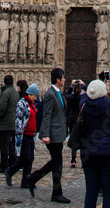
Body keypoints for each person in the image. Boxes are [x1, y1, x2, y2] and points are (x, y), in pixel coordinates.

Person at [79, 75, 110, 208]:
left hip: (89, 154)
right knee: (108, 193)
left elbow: (85, 96)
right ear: (104, 93)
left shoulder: (84, 107)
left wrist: (89, 87)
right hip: (109, 154)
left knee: (91, 192)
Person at [27, 66, 69, 203]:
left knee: (56, 162)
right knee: (57, 163)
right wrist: (45, 134)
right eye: (62, 77)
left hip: (58, 134)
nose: (64, 79)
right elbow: (46, 115)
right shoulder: (51, 94)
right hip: (52, 135)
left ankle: (32, 178)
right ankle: (56, 193)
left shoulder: (58, 93)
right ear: (58, 79)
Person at [7, 83, 42, 187]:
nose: (36, 98)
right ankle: (10, 171)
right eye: (34, 96)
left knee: (29, 158)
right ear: (29, 94)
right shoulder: (22, 103)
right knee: (26, 157)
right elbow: (18, 120)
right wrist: (18, 136)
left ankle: (25, 180)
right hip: (24, 135)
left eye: (37, 96)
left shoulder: (33, 104)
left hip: (31, 135)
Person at [0, 74, 19, 173]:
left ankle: (3, 165)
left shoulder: (6, 92)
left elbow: (2, 107)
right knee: (11, 144)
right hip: (13, 122)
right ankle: (13, 162)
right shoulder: (15, 92)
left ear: (4, 82)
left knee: (4, 145)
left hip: (5, 123)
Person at [65, 81, 83, 168]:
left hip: (72, 120)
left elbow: (66, 95)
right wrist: (83, 84)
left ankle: (73, 160)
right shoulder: (82, 97)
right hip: (80, 120)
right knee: (82, 139)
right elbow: (89, 92)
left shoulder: (71, 98)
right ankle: (83, 161)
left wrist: (71, 85)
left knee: (73, 140)